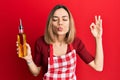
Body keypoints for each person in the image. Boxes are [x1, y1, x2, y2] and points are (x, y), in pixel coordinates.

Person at [16, 4, 104, 80]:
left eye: (64, 19)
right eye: (55, 19)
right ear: (50, 23)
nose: (60, 23)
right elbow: (35, 72)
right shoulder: (41, 43)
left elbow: (98, 67)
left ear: (70, 23)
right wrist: (29, 59)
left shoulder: (76, 42)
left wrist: (98, 38)